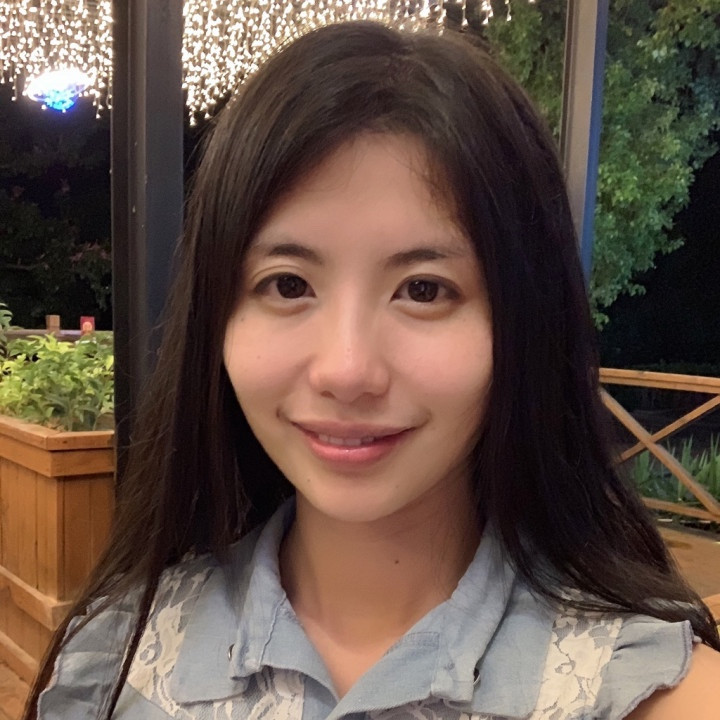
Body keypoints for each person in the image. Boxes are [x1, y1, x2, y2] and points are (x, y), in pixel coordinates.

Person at [26, 21, 720, 720]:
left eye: (424, 289)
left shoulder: (647, 693)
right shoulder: (115, 663)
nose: (347, 370)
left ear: (524, 324)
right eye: (288, 285)